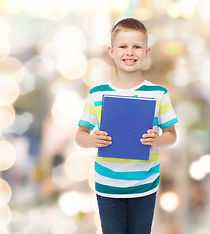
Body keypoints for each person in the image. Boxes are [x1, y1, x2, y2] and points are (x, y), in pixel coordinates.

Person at [75, 17, 178, 234]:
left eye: (136, 47)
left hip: (145, 185)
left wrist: (158, 140)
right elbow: (80, 135)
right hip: (107, 187)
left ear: (146, 53)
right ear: (111, 51)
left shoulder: (159, 94)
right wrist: (92, 139)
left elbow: (171, 134)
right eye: (123, 46)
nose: (129, 52)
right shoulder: (97, 94)